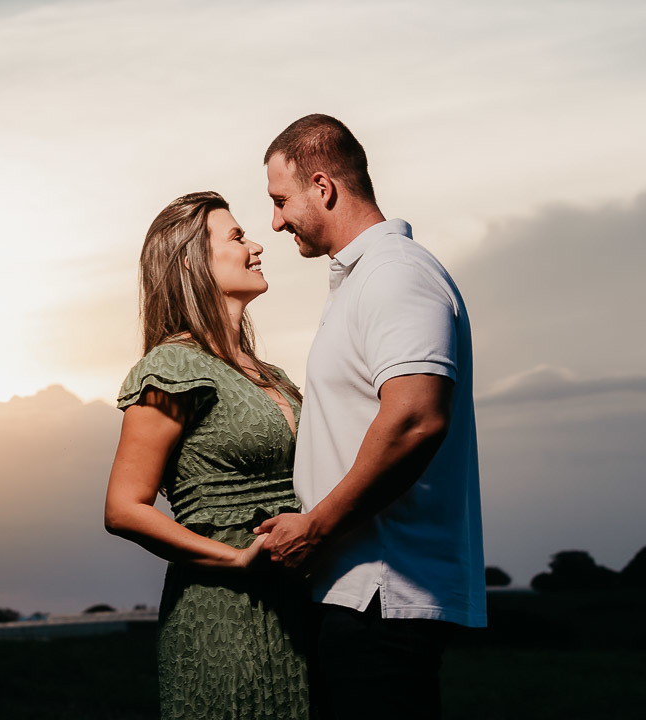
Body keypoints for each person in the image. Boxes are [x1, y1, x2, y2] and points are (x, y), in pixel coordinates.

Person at [254, 114, 486, 719]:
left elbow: (416, 419)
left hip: (384, 598)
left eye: (281, 201)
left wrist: (317, 526)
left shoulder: (395, 273)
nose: (275, 221)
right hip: (356, 595)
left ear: (323, 187)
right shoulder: (363, 281)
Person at [105, 191, 309, 720]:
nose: (257, 244)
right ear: (194, 261)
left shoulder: (274, 377)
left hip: (300, 608)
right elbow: (125, 508)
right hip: (223, 614)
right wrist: (238, 559)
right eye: (238, 237)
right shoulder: (170, 367)